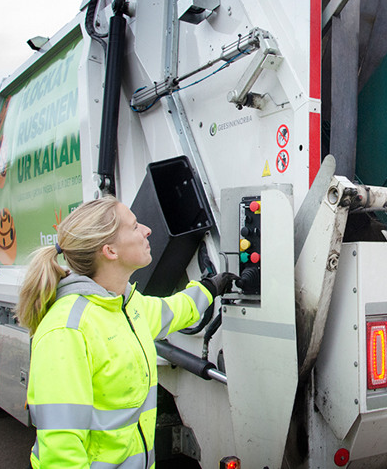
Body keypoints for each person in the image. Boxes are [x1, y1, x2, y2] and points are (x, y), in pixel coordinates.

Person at [17, 195, 235, 469]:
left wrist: (211, 287)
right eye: (134, 227)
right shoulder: (67, 330)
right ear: (109, 251)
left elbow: (173, 310)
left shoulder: (127, 306)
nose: (147, 230)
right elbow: (61, 450)